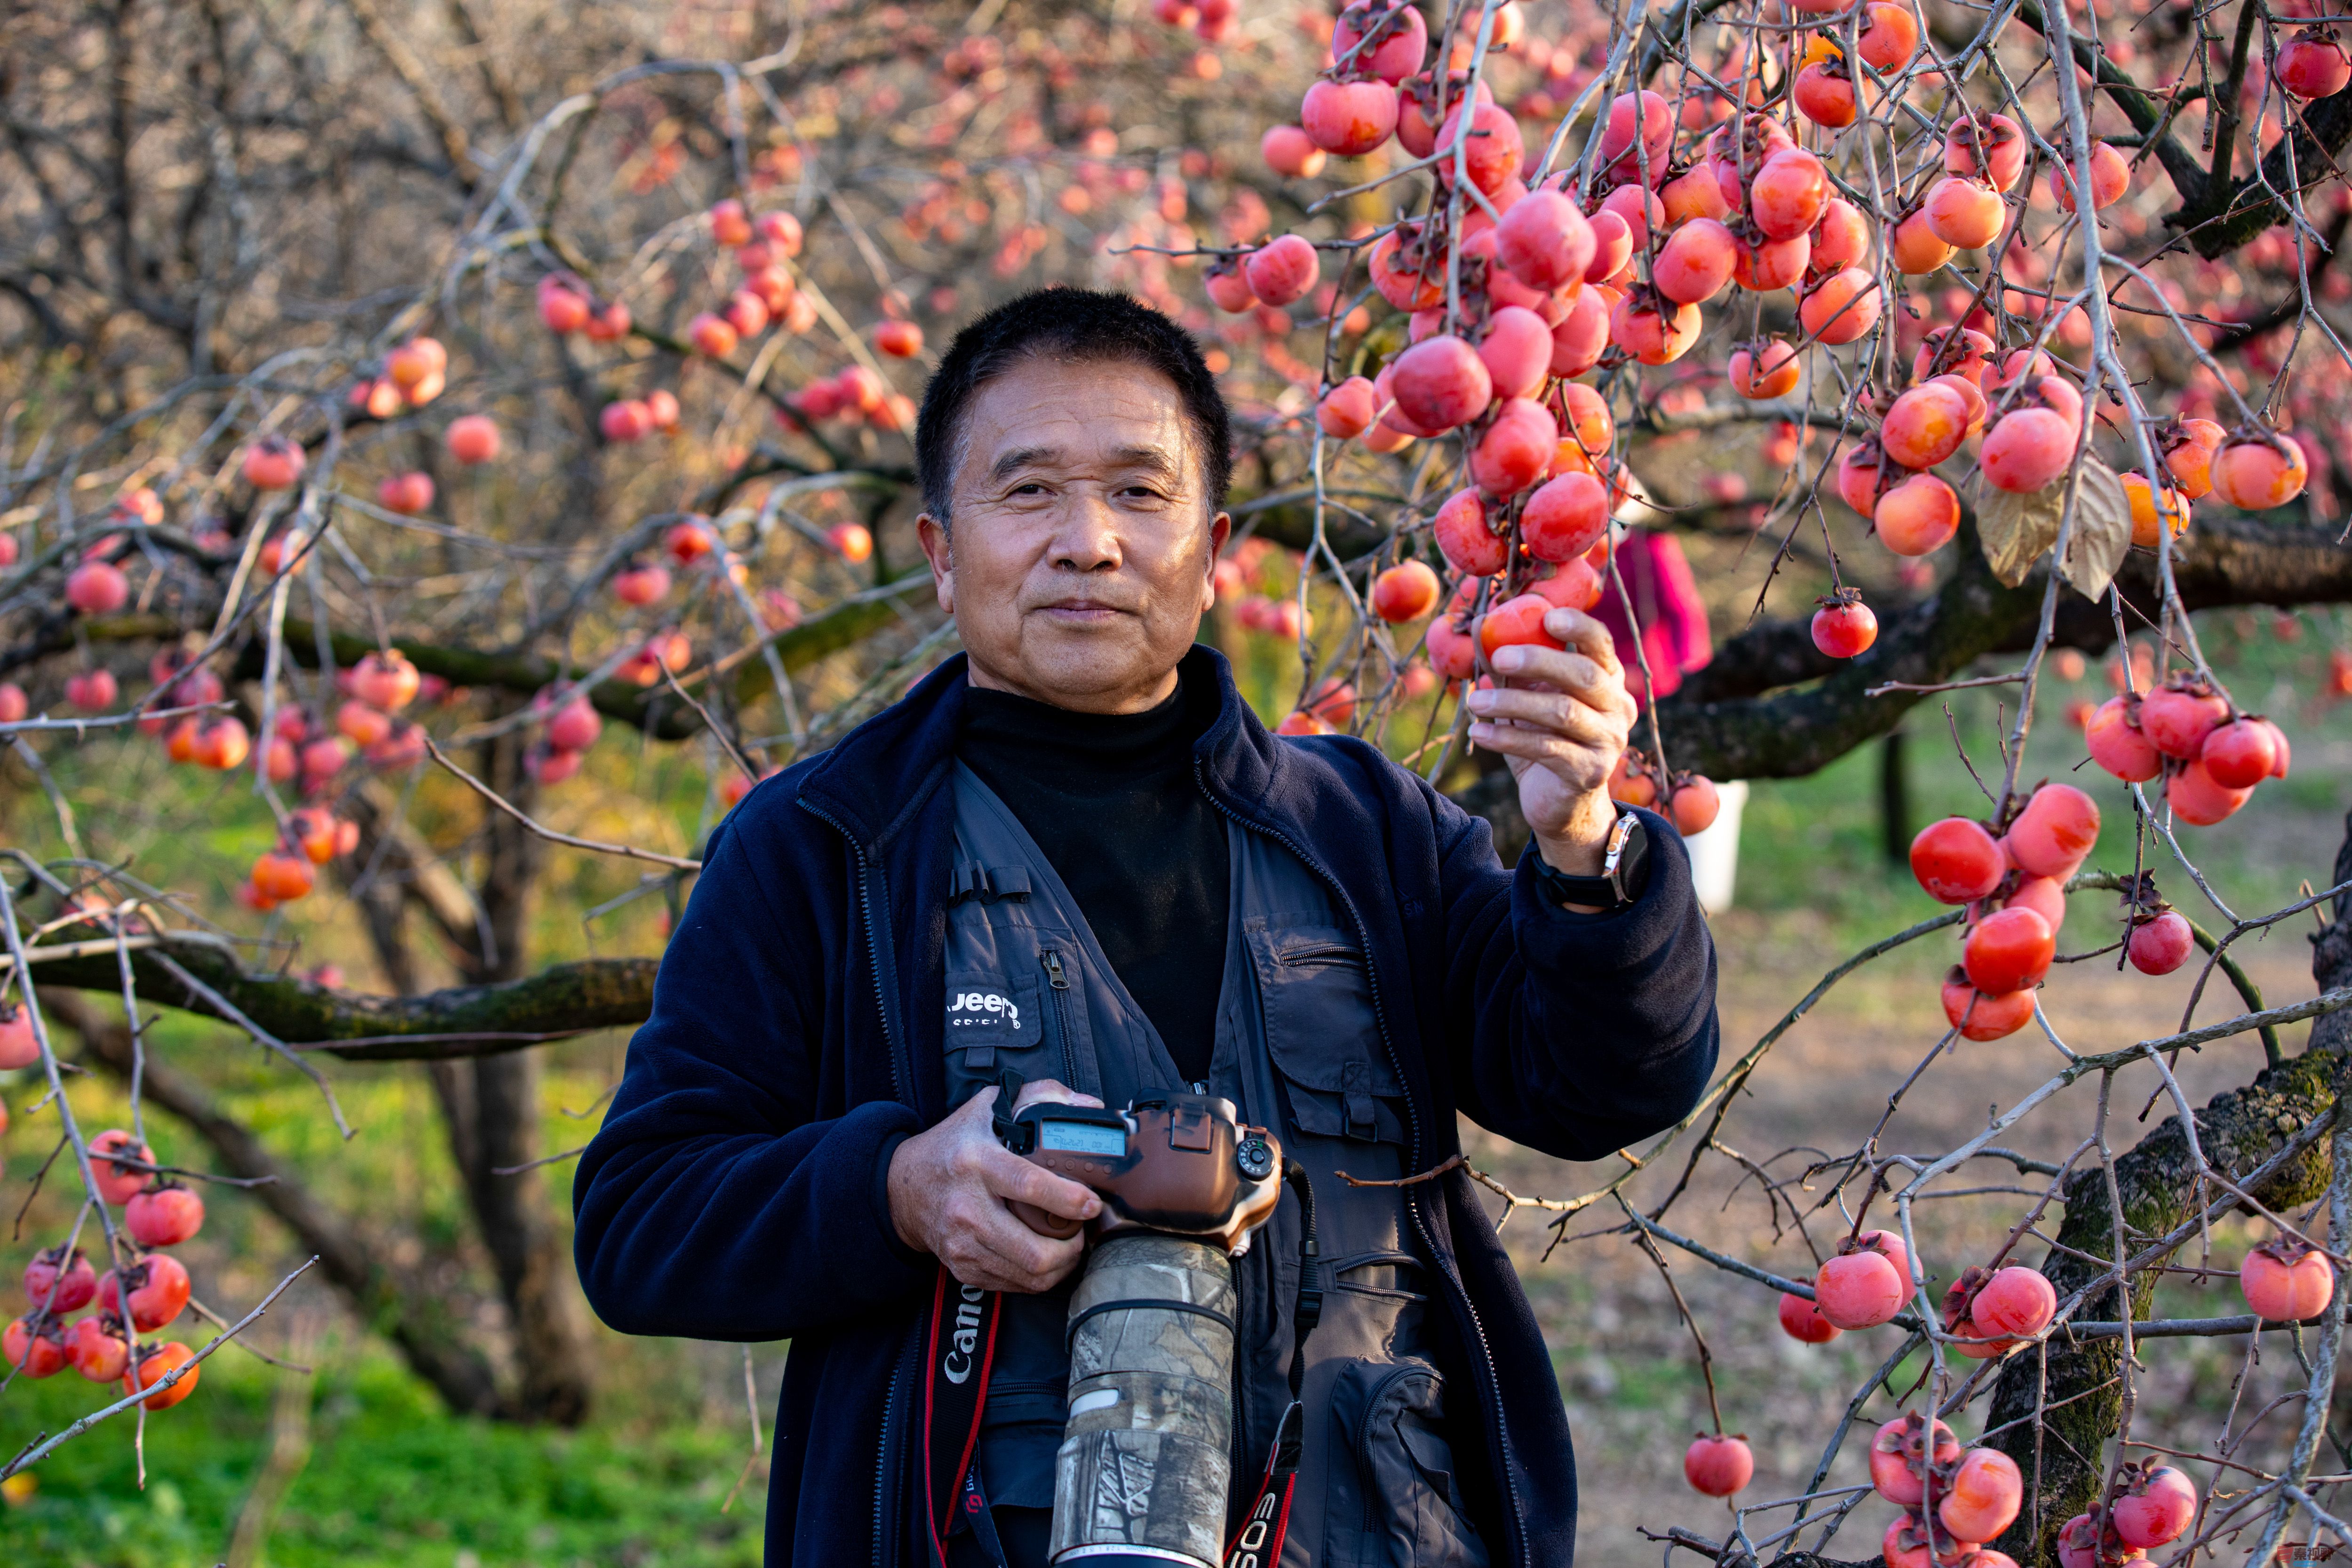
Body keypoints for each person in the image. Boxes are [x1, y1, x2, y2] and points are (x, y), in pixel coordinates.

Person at [572, 289, 1721, 1568]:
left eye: (1138, 492)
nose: (1088, 543)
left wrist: (1581, 850)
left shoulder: (1361, 832)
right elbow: (639, 1223)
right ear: (941, 553)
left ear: (1214, 544)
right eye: (1027, 494)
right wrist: (896, 1189)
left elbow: (1608, 1086)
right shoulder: (827, 849)